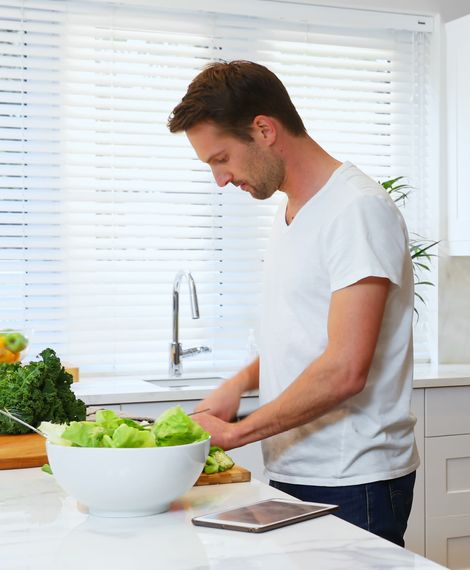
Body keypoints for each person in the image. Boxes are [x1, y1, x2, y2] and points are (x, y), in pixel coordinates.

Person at [167, 60, 418, 547]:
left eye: (221, 159)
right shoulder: (292, 213)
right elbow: (306, 337)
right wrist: (238, 383)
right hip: (297, 466)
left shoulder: (356, 210)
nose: (220, 179)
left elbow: (345, 367)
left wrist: (236, 435)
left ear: (263, 129)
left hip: (353, 479)